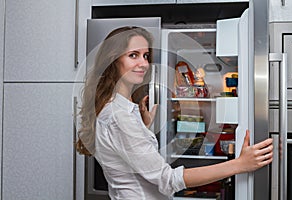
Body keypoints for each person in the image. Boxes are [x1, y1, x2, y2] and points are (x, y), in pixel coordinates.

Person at [76, 26, 273, 200]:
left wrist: (142, 128)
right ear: (113, 60)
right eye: (133, 55)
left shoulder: (117, 107)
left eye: (145, 56)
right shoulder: (120, 116)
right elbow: (167, 180)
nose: (144, 63)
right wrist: (239, 165)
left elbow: (124, 154)